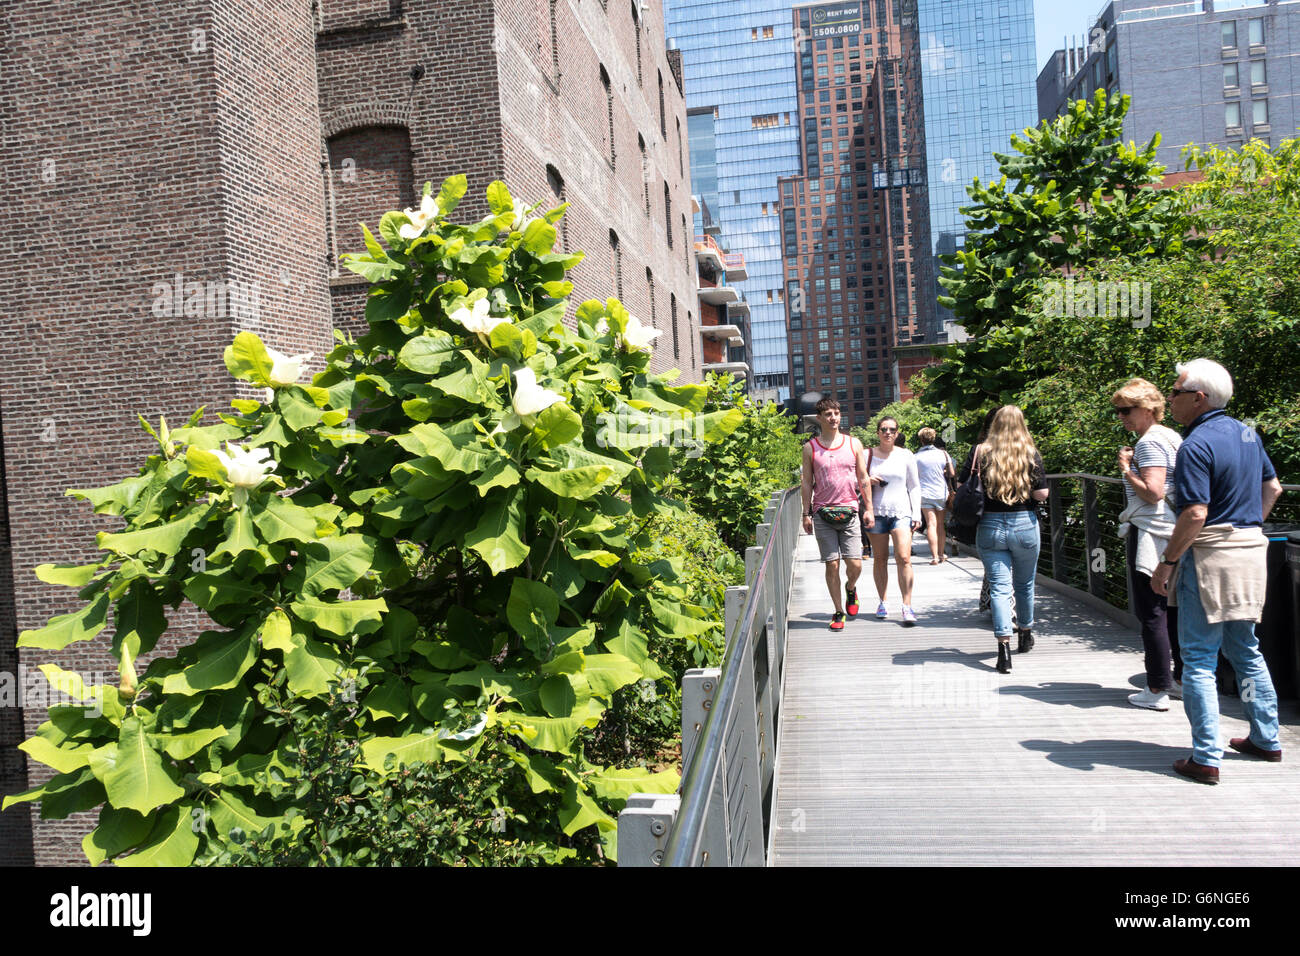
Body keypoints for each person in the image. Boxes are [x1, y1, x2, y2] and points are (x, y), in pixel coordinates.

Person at [1150, 359, 1284, 784]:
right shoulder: (1248, 433)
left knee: (1199, 659)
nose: (1170, 399)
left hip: (1209, 558)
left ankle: (1206, 757)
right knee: (1247, 650)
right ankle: (1266, 738)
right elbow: (1273, 487)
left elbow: (1195, 512)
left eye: (1175, 392)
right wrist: (1249, 526)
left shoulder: (1196, 444)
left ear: (1199, 398)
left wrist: (1168, 560)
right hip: (1249, 552)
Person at [958, 406, 1049, 673]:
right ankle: (1026, 632)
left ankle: (1003, 649)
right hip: (1024, 525)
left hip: (990, 525)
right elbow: (1041, 493)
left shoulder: (980, 452)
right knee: (1025, 584)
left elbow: (960, 485)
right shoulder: (1030, 453)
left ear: (995, 424)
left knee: (999, 588)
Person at [1111, 378, 1184, 711]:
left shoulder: (1148, 443)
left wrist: (1127, 469)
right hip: (1174, 532)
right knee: (1171, 609)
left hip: (1151, 533)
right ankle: (1178, 679)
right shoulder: (1172, 436)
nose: (1122, 417)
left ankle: (1156, 689)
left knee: (1151, 611)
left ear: (1147, 408)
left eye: (1127, 410)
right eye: (1119, 410)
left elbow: (1153, 492)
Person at [801, 397, 873, 631]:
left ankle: (850, 588)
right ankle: (838, 610)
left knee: (856, 565)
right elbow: (806, 482)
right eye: (828, 414)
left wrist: (869, 509)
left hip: (850, 510)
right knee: (831, 565)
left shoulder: (854, 444)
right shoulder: (810, 447)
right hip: (823, 512)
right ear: (820, 418)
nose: (833, 418)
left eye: (836, 413)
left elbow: (863, 478)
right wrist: (806, 513)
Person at [865, 415, 922, 625]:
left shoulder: (906, 455)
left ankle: (907, 605)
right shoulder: (867, 454)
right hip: (876, 512)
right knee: (879, 559)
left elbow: (914, 485)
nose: (888, 433)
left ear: (897, 433)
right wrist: (867, 480)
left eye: (892, 429)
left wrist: (917, 513)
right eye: (884, 429)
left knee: (904, 557)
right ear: (878, 432)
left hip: (901, 512)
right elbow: (855, 481)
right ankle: (883, 601)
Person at [914, 427, 956, 565]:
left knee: (931, 524)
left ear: (921, 440)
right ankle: (941, 553)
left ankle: (934, 557)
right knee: (940, 525)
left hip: (924, 493)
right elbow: (952, 473)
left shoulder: (916, 457)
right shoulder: (943, 454)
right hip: (941, 493)